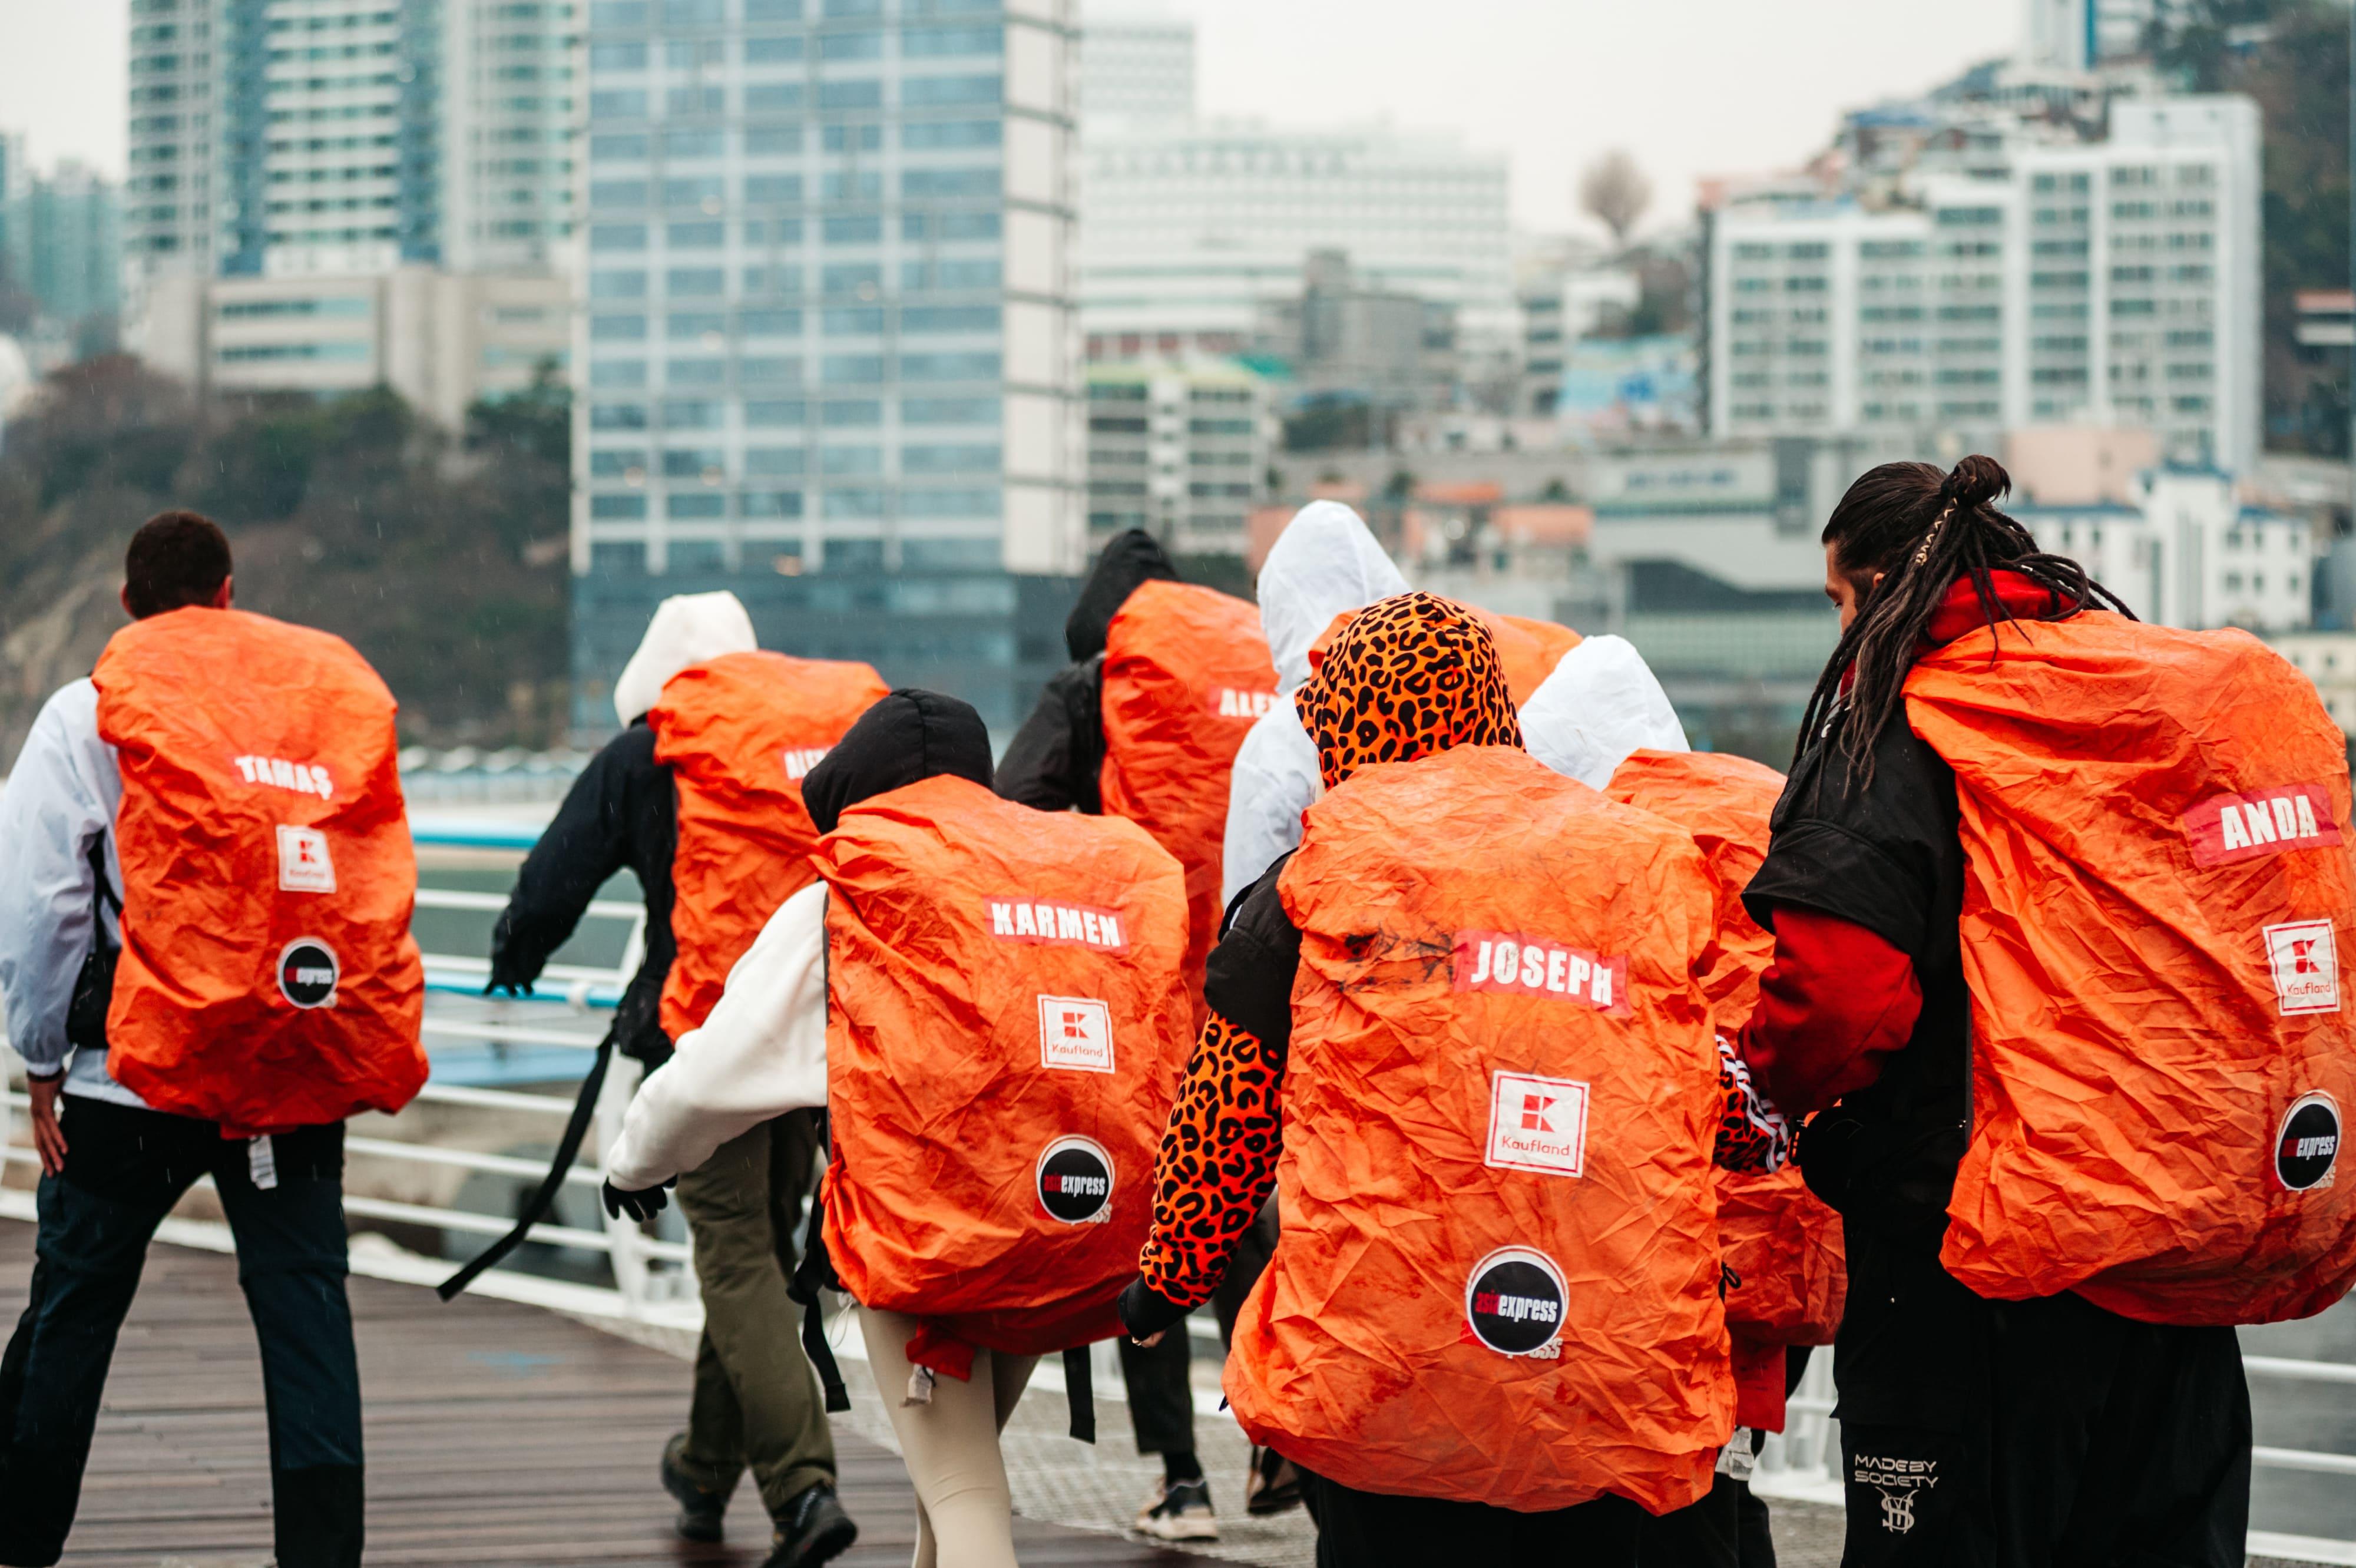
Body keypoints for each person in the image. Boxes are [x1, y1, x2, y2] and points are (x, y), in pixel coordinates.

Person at [1118, 592, 1791, 1566]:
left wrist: (1164, 1287)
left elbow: (1227, 1123)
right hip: (1597, 1371)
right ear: (1492, 707)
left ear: (1347, 726)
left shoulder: (1318, 878)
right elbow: (1716, 1098)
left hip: (1385, 1374)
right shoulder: (1630, 860)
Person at [1734, 455, 2315, 1566]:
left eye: (1839, 600)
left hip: (1975, 1270)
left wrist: (1764, 1079)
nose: (1841, 631)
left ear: (1880, 589)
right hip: (2169, 1250)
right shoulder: (2119, 709)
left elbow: (1840, 997)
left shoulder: (1901, 727)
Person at [598, 690, 1195, 1568]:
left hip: (934, 1252)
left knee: (965, 1502)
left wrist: (635, 1162)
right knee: (948, 1483)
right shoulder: (1066, 875)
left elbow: (710, 1074)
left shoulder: (854, 891)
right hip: (1076, 1236)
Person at [0, 511, 427, 1568]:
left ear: (127, 602)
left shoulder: (86, 710)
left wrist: (41, 1057)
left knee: (77, 1304)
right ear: (230, 593)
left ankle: (19, 1537)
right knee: (305, 1315)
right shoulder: (309, 703)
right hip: (292, 1058)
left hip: (131, 1077)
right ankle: (322, 1556)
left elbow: (44, 903)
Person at [482, 591, 877, 1562]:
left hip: (709, 1043)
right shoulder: (820, 739)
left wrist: (515, 954)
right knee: (758, 1258)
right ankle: (703, 1469)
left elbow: (554, 877)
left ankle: (803, 1490)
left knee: (736, 1258)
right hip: (818, 1047)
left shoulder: (650, 750)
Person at [996, 528, 1278, 1540]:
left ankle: (1181, 1478)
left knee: (1155, 1220)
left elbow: (1013, 812)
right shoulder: (1259, 670)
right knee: (1238, 1194)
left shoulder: (1097, 683)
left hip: (1144, 993)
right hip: (1261, 982)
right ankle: (1277, 1434)